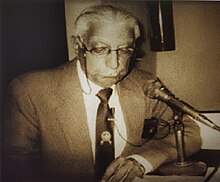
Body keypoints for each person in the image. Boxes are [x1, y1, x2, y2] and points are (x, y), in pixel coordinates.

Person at [2, 4, 201, 182]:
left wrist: (141, 161)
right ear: (78, 46)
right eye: (100, 49)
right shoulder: (29, 90)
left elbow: (189, 134)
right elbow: (16, 169)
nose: (115, 65)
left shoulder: (143, 84)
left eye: (124, 50)